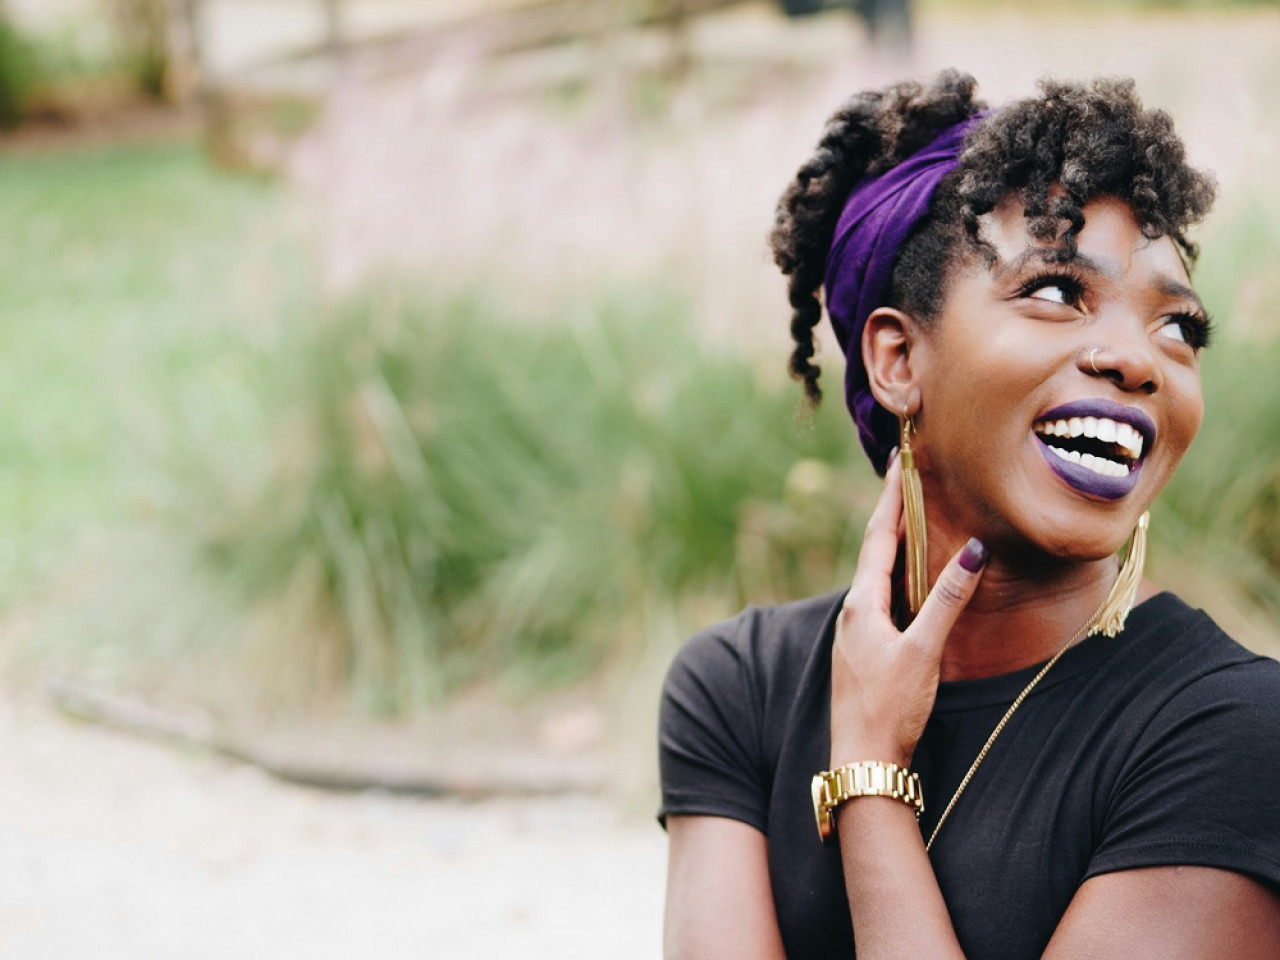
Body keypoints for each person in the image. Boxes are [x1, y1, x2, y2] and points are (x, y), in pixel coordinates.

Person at [657, 70, 1280, 959]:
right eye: (1059, 291)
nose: (1139, 360)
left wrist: (870, 779)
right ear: (899, 360)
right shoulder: (741, 690)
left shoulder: (1233, 734)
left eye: (1180, 328)